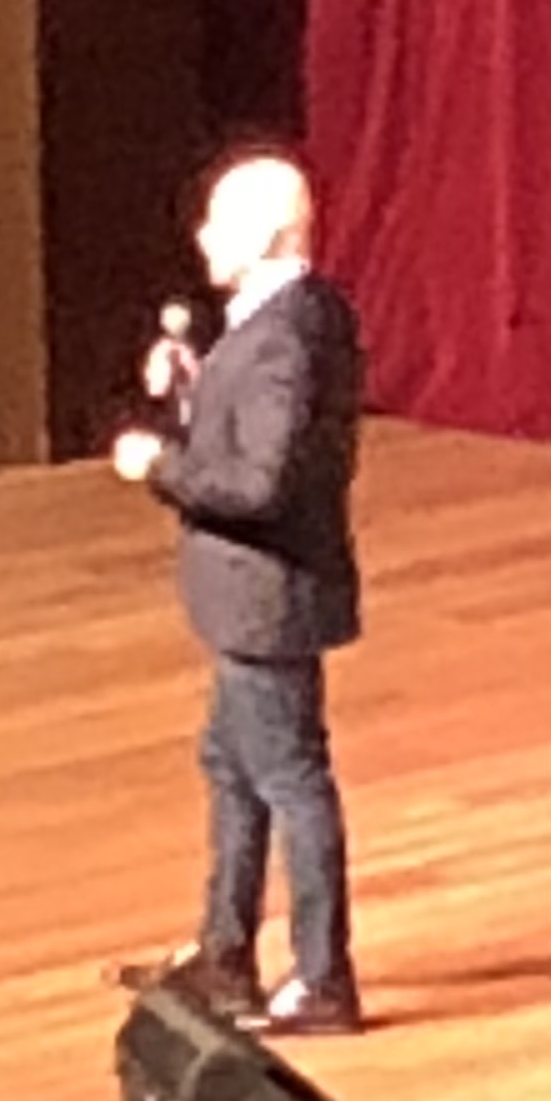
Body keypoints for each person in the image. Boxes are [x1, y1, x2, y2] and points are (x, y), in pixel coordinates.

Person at [110, 147, 369, 1036]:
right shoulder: (294, 314)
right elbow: (258, 437)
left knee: (292, 779)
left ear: (264, 235)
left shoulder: (281, 341)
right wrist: (196, 390)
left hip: (267, 598)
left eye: (219, 221)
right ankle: (225, 957)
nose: (202, 236)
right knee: (232, 766)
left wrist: (159, 463)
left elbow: (260, 485)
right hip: (257, 598)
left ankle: (323, 979)